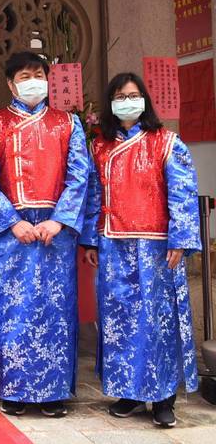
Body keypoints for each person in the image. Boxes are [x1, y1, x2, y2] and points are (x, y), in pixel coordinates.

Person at [81, 72, 200, 428]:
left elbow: (182, 193)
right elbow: (93, 195)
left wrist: (180, 239)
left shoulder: (166, 142)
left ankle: (163, 398)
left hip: (156, 248)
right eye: (120, 96)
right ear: (111, 103)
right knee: (119, 320)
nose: (127, 102)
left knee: (157, 321)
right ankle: (129, 392)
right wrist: (90, 238)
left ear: (145, 99)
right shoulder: (100, 146)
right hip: (113, 244)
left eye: (133, 95)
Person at [0, 51, 88, 417]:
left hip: (55, 233)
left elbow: (80, 176)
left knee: (56, 310)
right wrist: (12, 221)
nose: (33, 82)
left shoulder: (68, 123)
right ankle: (12, 388)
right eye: (24, 76)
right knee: (11, 310)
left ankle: (54, 391)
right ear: (11, 84)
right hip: (9, 232)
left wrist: (59, 221)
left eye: (38, 75)